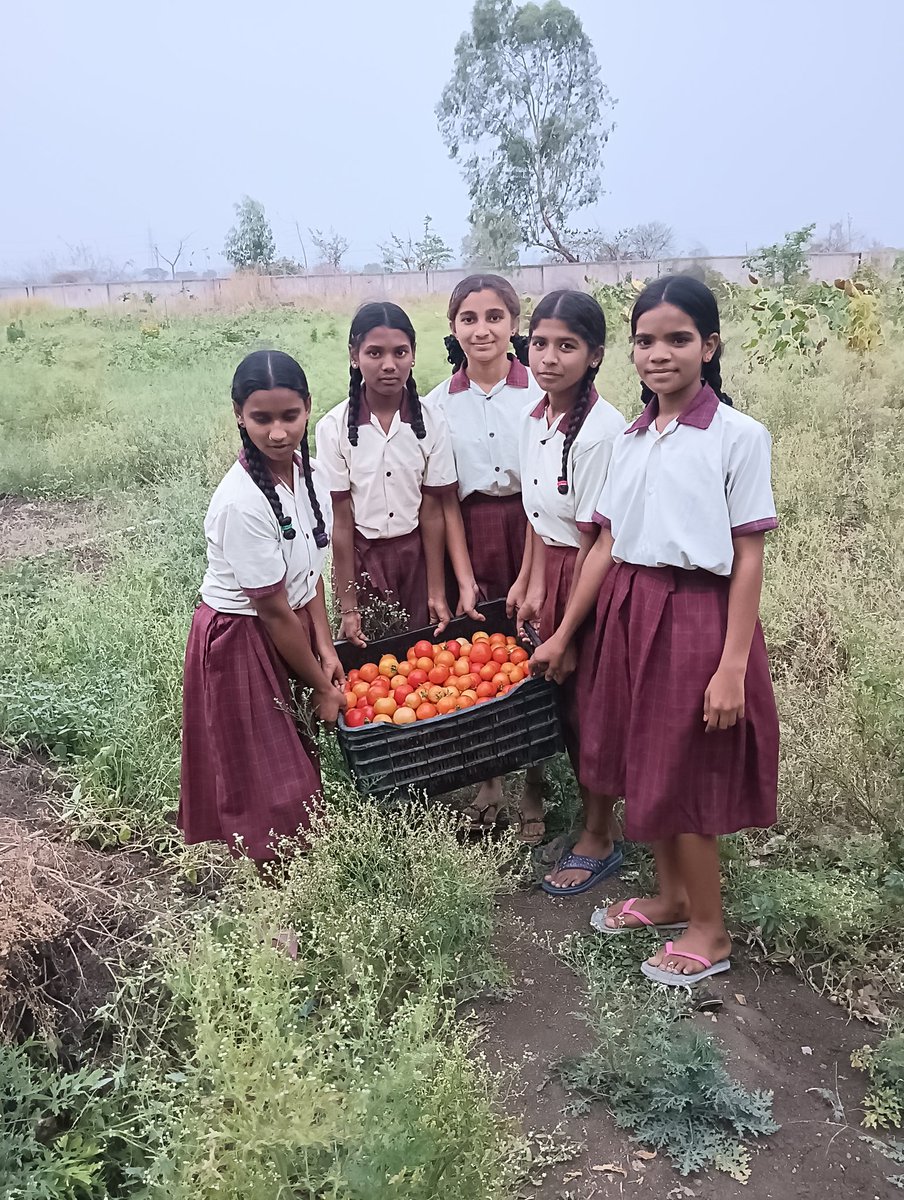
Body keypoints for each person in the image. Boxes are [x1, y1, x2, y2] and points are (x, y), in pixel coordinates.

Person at [532, 276, 779, 984]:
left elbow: (749, 554)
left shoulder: (736, 437)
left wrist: (732, 664)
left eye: (677, 339)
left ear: (709, 346)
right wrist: (565, 633)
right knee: (649, 765)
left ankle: (710, 929)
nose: (659, 353)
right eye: (645, 340)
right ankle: (671, 897)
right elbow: (605, 546)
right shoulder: (632, 439)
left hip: (696, 617)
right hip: (630, 613)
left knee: (688, 773)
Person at [179, 350, 343, 866]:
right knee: (273, 785)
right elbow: (272, 610)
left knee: (295, 759)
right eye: (261, 419)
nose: (277, 433)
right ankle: (276, 906)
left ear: (309, 407)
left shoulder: (310, 474)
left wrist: (324, 643)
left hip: (287, 628)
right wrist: (320, 684)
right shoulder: (240, 503)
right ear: (238, 414)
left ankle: (299, 880)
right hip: (241, 639)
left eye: (289, 416)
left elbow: (309, 572)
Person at [511, 289, 626, 881]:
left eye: (567, 345)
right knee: (557, 703)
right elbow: (538, 516)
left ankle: (600, 836)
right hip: (553, 570)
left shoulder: (603, 434)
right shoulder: (537, 417)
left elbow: (598, 542)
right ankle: (583, 817)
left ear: (596, 355)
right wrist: (529, 584)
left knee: (590, 709)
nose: (549, 357)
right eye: (539, 344)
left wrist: (568, 630)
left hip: (589, 582)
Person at [423, 274, 544, 832]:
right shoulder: (436, 405)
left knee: (534, 643)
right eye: (468, 319)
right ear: (453, 328)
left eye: (495, 317)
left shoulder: (541, 393)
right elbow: (440, 495)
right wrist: (459, 574)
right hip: (468, 533)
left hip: (532, 525)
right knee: (481, 652)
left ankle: (537, 784)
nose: (482, 329)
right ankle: (490, 777)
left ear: (515, 325)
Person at [315, 302, 466, 646]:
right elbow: (341, 523)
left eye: (400, 352)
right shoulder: (333, 429)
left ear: (413, 355)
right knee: (370, 664)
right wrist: (348, 606)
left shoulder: (431, 420)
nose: (389, 365)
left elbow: (431, 513)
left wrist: (436, 592)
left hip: (416, 559)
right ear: (354, 356)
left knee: (424, 657)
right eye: (374, 353)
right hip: (362, 562)